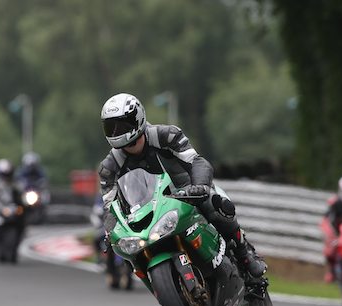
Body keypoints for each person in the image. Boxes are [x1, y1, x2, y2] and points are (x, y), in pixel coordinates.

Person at [98, 93, 267, 289]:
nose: (117, 132)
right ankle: (158, 285)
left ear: (137, 118)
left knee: (216, 204)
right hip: (146, 211)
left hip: (187, 193)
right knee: (126, 247)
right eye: (111, 127)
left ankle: (245, 253)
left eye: (122, 125)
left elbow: (196, 161)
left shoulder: (167, 135)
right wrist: (110, 229)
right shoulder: (108, 167)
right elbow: (110, 206)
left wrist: (200, 186)